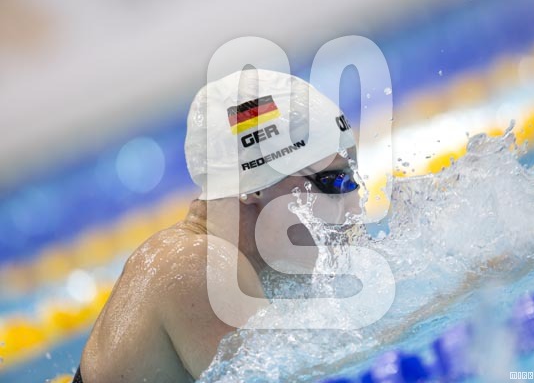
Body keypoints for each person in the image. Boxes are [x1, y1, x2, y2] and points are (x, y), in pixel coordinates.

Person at [75, 69, 361, 382]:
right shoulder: (199, 264)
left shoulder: (255, 265)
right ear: (255, 187)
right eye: (335, 181)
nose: (355, 206)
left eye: (354, 179)